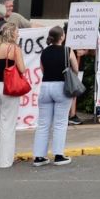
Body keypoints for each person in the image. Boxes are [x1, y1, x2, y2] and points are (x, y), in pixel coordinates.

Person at [0, 21, 33, 169]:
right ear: (12, 34)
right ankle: (4, 161)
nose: (18, 34)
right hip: (8, 88)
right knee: (7, 124)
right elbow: (22, 69)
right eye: (17, 32)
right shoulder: (14, 49)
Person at [33, 23, 79, 166]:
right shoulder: (67, 50)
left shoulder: (44, 51)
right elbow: (76, 69)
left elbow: (42, 69)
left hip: (46, 86)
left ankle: (39, 157)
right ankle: (58, 155)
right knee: (60, 123)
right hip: (61, 86)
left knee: (43, 124)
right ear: (63, 37)